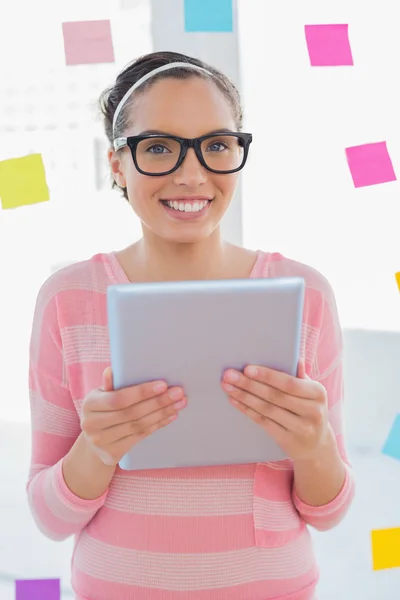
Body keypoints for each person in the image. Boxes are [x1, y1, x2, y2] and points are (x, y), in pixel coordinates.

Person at [27, 51, 355, 600]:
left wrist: (313, 445)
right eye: (158, 147)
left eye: (217, 145)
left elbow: (330, 513)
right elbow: (48, 518)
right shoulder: (68, 299)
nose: (192, 172)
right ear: (116, 165)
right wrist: (99, 448)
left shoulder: (307, 296)